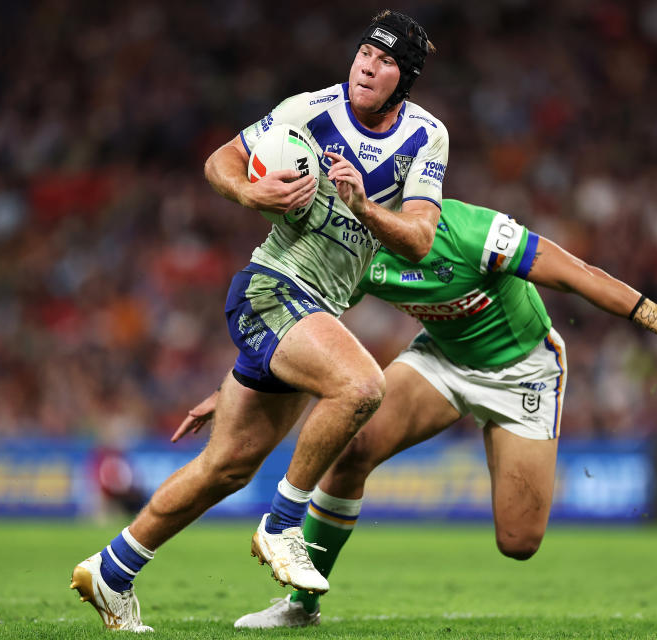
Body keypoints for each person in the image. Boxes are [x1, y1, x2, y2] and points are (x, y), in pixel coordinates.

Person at [69, 10, 449, 632]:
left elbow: (418, 240)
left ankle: (110, 572)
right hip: (271, 288)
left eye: (383, 63)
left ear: (403, 80)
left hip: (308, 318)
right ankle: (281, 525)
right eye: (362, 54)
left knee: (228, 465)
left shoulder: (426, 138)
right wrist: (251, 194)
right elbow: (222, 160)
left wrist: (364, 208)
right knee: (361, 386)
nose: (365, 67)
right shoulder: (308, 109)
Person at [174, 199, 657, 628]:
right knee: (351, 448)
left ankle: (503, 441)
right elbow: (295, 330)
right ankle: (301, 606)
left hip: (523, 372)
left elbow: (576, 274)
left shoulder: (474, 231)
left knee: (518, 543)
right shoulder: (357, 254)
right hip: (443, 361)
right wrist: (233, 390)